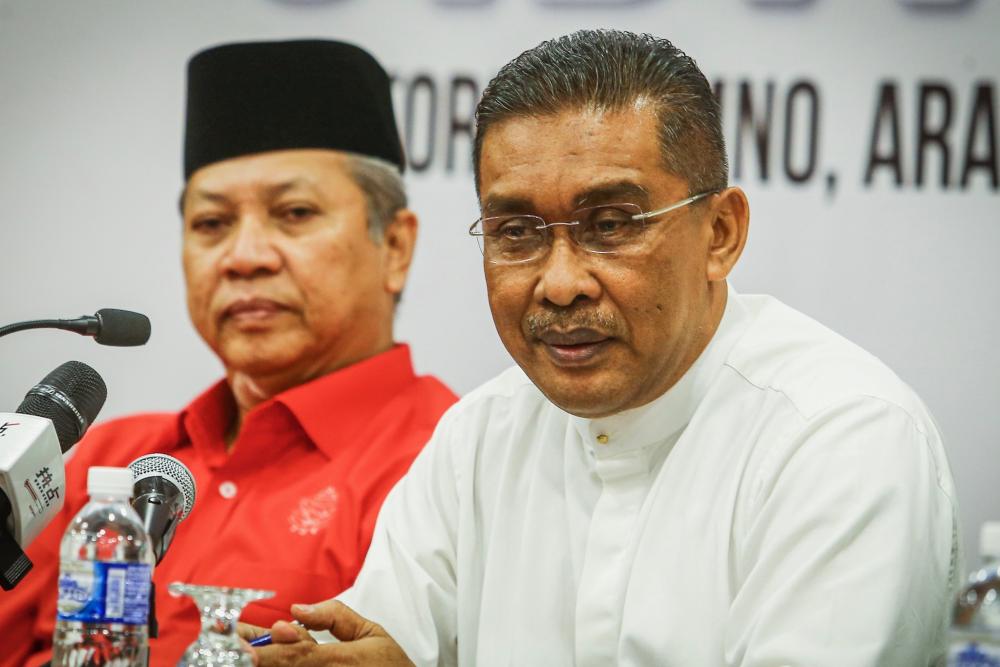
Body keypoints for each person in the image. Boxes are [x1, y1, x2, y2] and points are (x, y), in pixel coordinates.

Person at [247, 29, 960, 666]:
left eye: (612, 223)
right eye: (517, 232)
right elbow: (384, 641)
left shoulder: (840, 435)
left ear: (720, 233)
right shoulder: (479, 437)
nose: (558, 284)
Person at [0, 39, 457, 667]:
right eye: (212, 224)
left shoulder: (448, 464)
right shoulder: (99, 461)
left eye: (294, 213)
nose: (244, 257)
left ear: (396, 247)